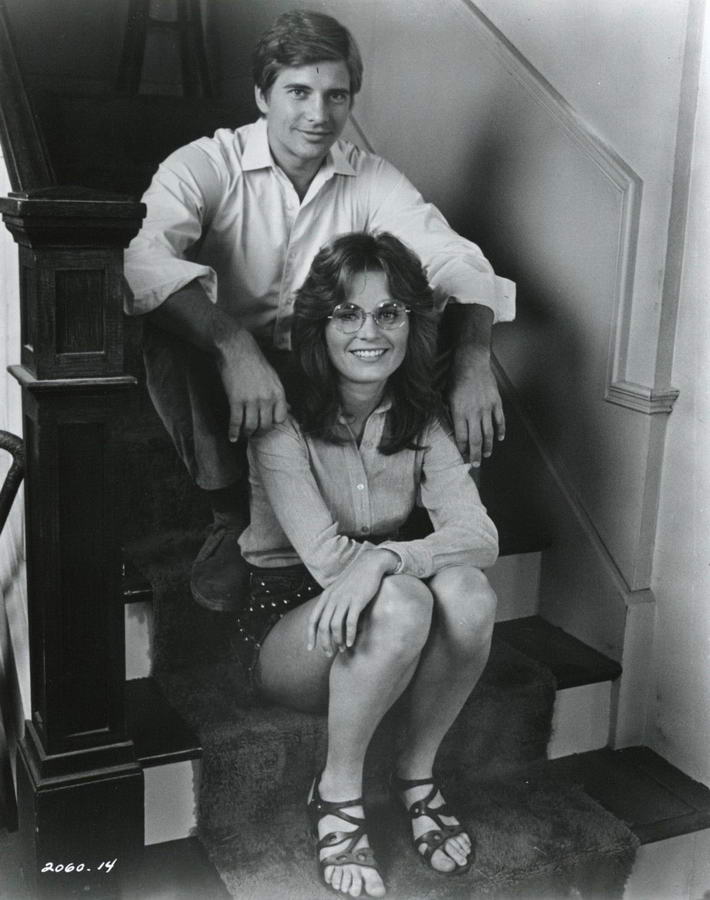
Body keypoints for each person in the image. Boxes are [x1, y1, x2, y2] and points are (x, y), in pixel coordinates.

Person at [123, 10, 514, 613]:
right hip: (223, 366)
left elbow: (453, 259)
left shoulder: (370, 177)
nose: (319, 114)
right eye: (299, 92)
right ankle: (230, 515)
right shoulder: (207, 163)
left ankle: (408, 508)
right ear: (262, 95)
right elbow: (142, 259)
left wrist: (473, 358)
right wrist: (232, 345)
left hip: (321, 358)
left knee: (423, 317)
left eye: (337, 95)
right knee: (164, 320)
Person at [237, 231, 499, 898]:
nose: (370, 332)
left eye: (389, 313)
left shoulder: (422, 420)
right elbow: (328, 562)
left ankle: (416, 774)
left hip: (387, 624)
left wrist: (386, 556)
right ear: (318, 326)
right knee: (406, 600)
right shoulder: (280, 420)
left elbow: (479, 537)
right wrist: (387, 570)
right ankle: (337, 793)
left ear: (412, 323)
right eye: (347, 313)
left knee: (469, 592)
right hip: (288, 630)